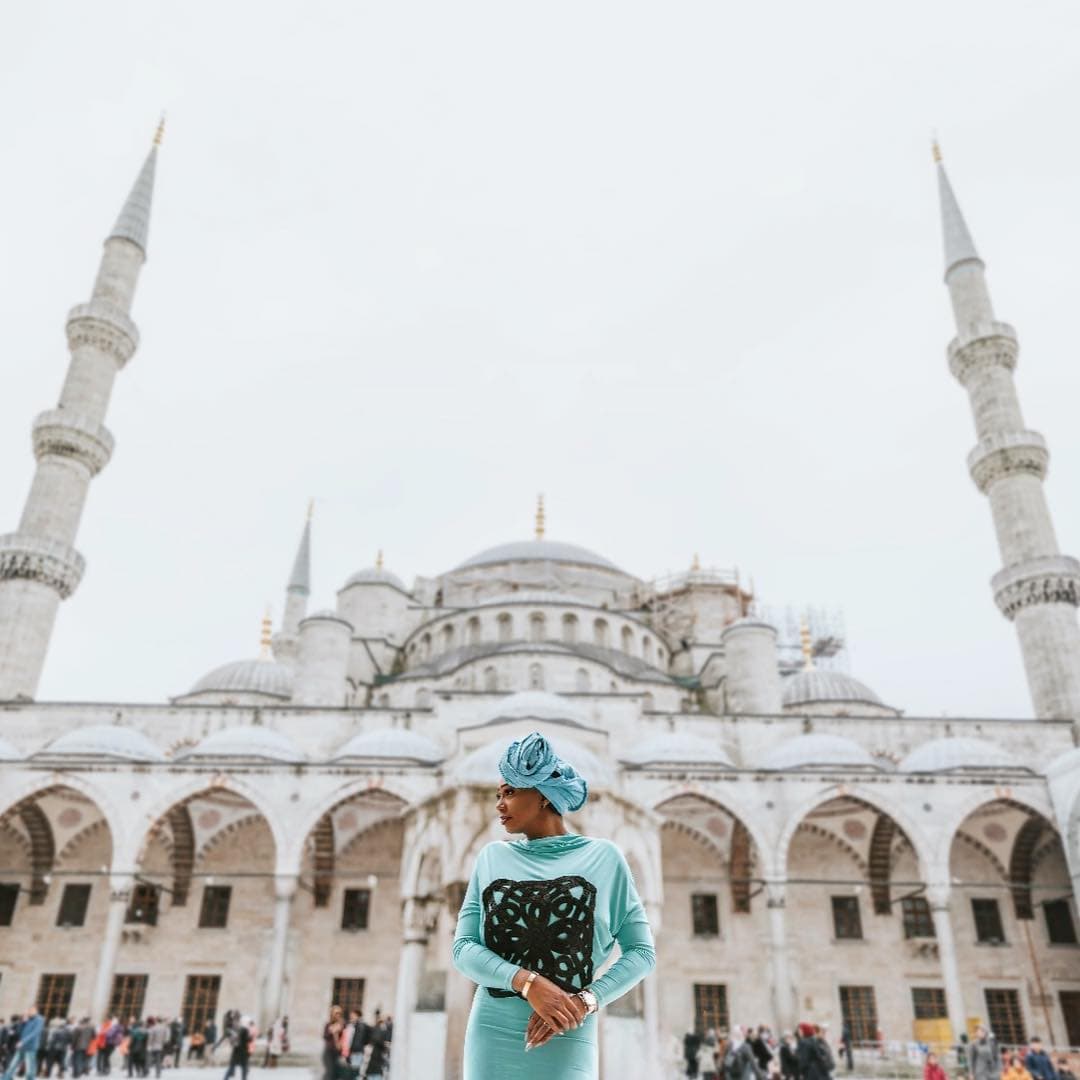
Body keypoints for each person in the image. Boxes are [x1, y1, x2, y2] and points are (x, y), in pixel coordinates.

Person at [451, 732, 656, 1078]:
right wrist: (528, 983)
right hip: (492, 1032)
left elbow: (641, 952)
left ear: (544, 797)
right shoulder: (491, 857)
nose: (500, 804)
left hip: (567, 1029)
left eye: (510, 792)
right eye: (498, 794)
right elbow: (464, 948)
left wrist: (585, 1001)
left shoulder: (604, 858)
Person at [2, 1009, 44, 1080]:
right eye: (28, 1012)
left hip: (30, 1047)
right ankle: (5, 1078)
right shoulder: (27, 1020)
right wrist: (23, 1023)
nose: (28, 1013)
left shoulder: (39, 1019)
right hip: (21, 1047)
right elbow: (19, 1032)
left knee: (29, 1067)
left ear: (35, 1011)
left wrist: (23, 1041)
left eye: (30, 1011)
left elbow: (34, 1033)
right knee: (12, 1065)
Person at [321, 1007, 343, 1080]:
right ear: (332, 1014)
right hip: (329, 1051)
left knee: (336, 1073)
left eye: (339, 1013)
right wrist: (331, 1031)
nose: (338, 1015)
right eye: (336, 1013)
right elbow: (325, 1036)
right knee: (329, 1072)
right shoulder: (328, 1025)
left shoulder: (342, 1025)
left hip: (338, 1052)